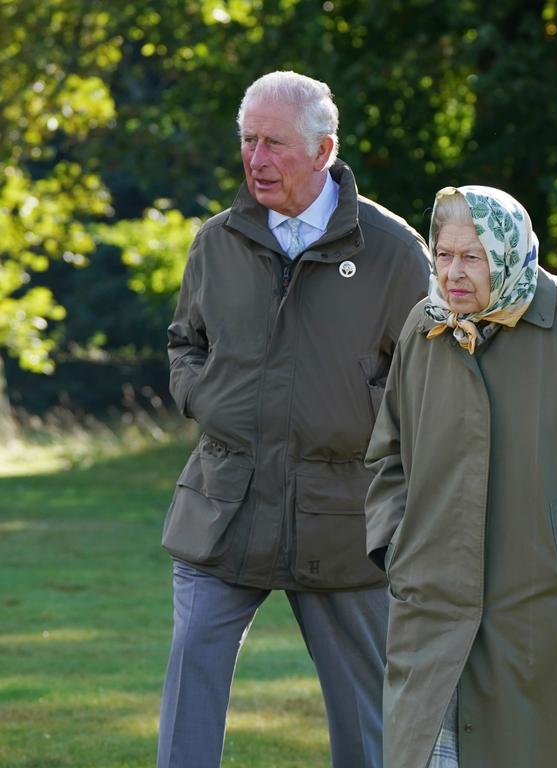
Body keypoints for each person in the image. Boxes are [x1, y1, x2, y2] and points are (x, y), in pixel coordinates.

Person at [157, 70, 430, 768]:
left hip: (344, 518)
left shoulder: (394, 251)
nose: (256, 159)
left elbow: (430, 376)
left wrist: (369, 420)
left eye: (274, 142)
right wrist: (205, 399)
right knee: (190, 675)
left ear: (323, 149)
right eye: (248, 141)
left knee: (366, 718)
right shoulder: (215, 241)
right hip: (225, 504)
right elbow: (185, 341)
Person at [364, 185, 557, 768]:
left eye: (471, 257)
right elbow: (387, 454)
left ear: (507, 252)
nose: (452, 273)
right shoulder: (425, 326)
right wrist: (395, 542)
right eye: (443, 255)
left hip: (544, 599)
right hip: (433, 596)